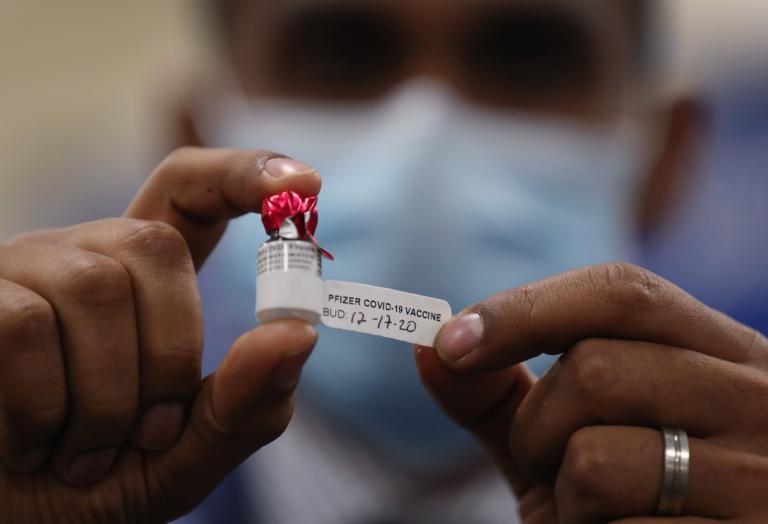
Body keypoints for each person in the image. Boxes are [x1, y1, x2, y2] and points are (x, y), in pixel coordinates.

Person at [1, 2, 767, 524]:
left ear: (666, 155)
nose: (423, 136)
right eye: (340, 54)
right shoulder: (57, 473)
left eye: (527, 58)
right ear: (197, 135)